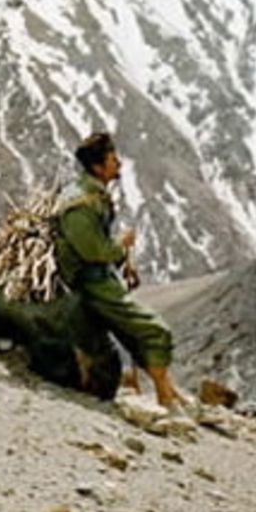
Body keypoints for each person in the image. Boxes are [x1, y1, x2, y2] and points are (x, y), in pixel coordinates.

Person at [53, 131, 183, 409]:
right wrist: (120, 245)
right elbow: (92, 251)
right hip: (89, 283)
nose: (119, 163)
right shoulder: (81, 205)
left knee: (135, 331)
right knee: (155, 331)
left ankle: (167, 389)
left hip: (101, 278)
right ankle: (165, 399)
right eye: (113, 159)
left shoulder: (92, 195)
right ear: (98, 167)